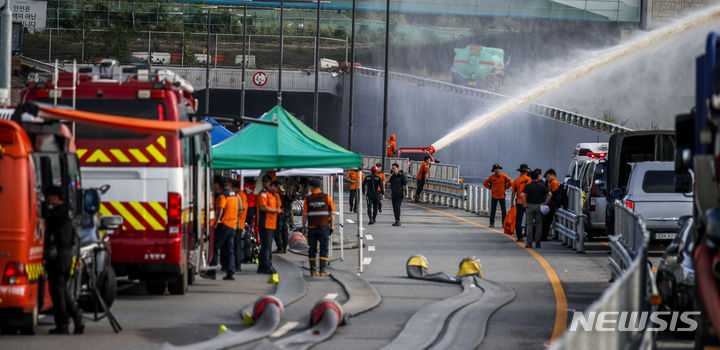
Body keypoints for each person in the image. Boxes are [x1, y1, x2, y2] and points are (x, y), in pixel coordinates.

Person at [44, 186, 84, 335]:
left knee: (58, 291)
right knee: (63, 290)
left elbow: (49, 231)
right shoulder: (67, 212)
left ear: (55, 197)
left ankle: (65, 323)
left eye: (49, 196)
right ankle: (74, 319)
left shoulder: (57, 214)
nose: (48, 199)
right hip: (66, 255)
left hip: (59, 255)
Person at [302, 179, 336, 276]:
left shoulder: (307, 199)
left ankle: (313, 270)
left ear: (312, 187)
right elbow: (332, 213)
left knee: (312, 248)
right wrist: (332, 225)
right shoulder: (327, 198)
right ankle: (323, 270)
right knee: (324, 248)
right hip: (324, 227)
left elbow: (304, 215)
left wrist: (303, 227)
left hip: (312, 227)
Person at [211, 177, 238, 280]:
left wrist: (217, 220)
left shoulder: (223, 196)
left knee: (215, 247)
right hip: (233, 225)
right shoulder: (235, 195)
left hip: (225, 224)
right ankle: (230, 272)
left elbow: (220, 209)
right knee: (229, 250)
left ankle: (211, 271)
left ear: (219, 185)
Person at [521, 169, 552, 249]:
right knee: (539, 225)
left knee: (529, 225)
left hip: (529, 206)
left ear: (530, 177)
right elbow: (550, 194)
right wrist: (546, 202)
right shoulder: (542, 186)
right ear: (538, 177)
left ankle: (529, 243)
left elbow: (522, 195)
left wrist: (524, 203)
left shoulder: (528, 186)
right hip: (539, 206)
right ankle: (538, 243)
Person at [258, 180, 283, 274]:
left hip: (272, 223)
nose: (277, 191)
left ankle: (263, 266)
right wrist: (276, 211)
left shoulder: (275, 195)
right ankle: (266, 265)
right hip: (265, 224)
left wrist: (279, 210)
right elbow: (263, 207)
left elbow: (279, 206)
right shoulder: (264, 193)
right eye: (277, 188)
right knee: (266, 246)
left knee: (267, 246)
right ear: (273, 186)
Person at [483, 163, 512, 228]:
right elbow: (485, 183)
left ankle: (503, 224)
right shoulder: (491, 177)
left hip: (502, 196)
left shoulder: (504, 176)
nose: (497, 170)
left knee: (504, 211)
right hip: (494, 196)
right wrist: (490, 188)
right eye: (496, 169)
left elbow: (511, 183)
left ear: (500, 170)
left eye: (498, 169)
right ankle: (491, 223)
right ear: (494, 171)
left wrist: (506, 188)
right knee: (493, 210)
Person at [511, 164, 531, 241]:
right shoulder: (529, 180)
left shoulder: (516, 180)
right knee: (529, 220)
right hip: (528, 202)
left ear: (520, 171)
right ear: (527, 171)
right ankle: (529, 235)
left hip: (519, 202)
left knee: (518, 220)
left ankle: (520, 237)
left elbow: (513, 192)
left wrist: (512, 203)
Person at [232, 180, 247, 271]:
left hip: (238, 224)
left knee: (237, 245)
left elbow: (241, 209)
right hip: (237, 223)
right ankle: (236, 264)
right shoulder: (239, 195)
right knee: (236, 245)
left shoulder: (240, 196)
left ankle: (237, 265)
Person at [275, 181, 293, 254]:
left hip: (281, 214)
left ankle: (281, 248)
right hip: (285, 214)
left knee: (278, 231)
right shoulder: (287, 193)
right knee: (284, 230)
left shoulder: (278, 194)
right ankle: (284, 248)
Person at [542, 169, 559, 240]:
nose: (547, 178)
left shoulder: (554, 183)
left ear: (552, 175)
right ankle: (544, 236)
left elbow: (552, 194)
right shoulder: (550, 182)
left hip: (551, 204)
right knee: (547, 221)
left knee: (547, 221)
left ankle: (544, 236)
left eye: (548, 176)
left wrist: (546, 202)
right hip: (550, 204)